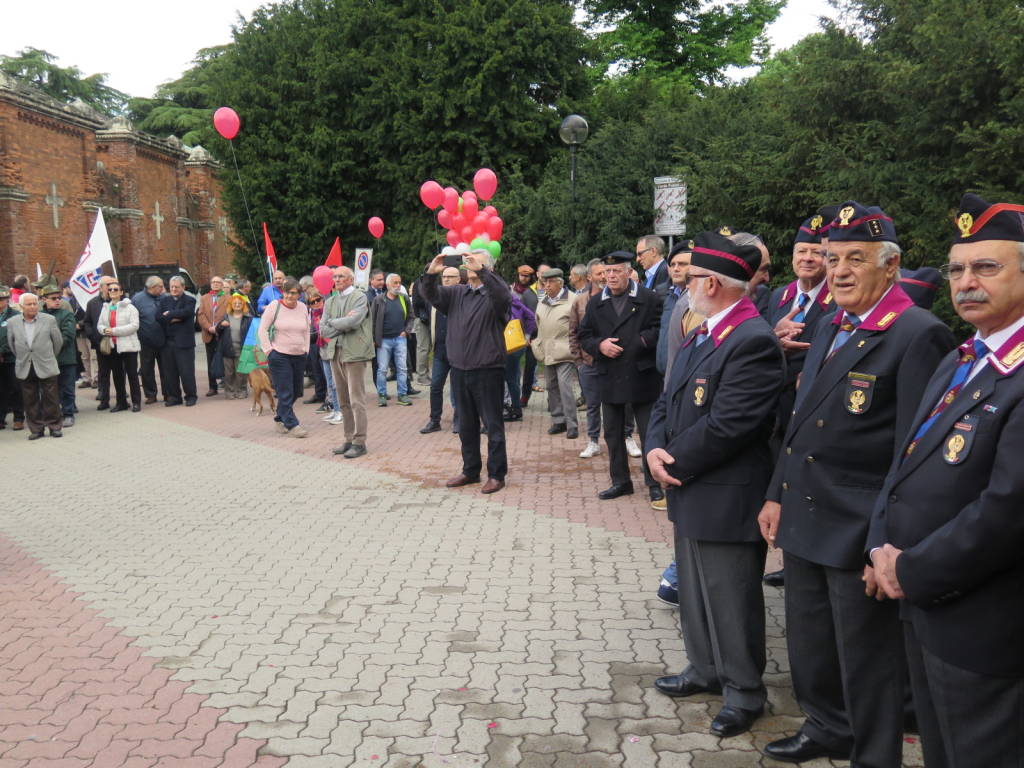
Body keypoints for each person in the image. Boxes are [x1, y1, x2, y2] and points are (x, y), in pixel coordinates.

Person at [757, 202, 955, 766]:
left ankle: (873, 753)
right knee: (811, 647)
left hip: (858, 529)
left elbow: (913, 456)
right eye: (832, 258)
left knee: (868, 661)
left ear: (890, 267)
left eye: (855, 260)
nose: (838, 270)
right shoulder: (831, 323)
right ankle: (826, 727)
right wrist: (775, 494)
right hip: (805, 518)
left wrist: (885, 544)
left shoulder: (918, 333)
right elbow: (798, 424)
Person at [868, 193, 1024, 768]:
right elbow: (906, 461)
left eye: (987, 267)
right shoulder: (965, 356)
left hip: (985, 624)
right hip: (927, 604)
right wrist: (880, 545)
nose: (966, 282)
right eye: (957, 268)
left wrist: (908, 568)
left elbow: (1007, 513)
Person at [646, 231, 784, 739]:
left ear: (712, 282)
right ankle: (704, 669)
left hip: (725, 491)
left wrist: (671, 458)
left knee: (731, 597)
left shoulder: (751, 339)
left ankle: (745, 691)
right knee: (697, 595)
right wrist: (655, 448)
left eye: (692, 279)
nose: (685, 286)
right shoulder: (705, 329)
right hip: (689, 483)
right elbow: (667, 399)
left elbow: (732, 425)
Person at [760, 214, 833, 589]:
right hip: (777, 408)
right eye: (801, 251)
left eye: (817, 253)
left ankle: (801, 563)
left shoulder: (837, 300)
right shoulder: (781, 296)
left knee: (804, 487)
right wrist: (775, 341)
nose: (807, 258)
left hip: (811, 412)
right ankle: (790, 560)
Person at [417, 247, 512, 494]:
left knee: (492, 425)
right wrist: (430, 273)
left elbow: (502, 294)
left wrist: (482, 270)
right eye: (467, 261)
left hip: (488, 369)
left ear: (488, 269)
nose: (468, 264)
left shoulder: (495, 295)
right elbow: (429, 295)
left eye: (475, 262)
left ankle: (496, 474)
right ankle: (470, 471)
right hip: (459, 369)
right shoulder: (458, 293)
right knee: (466, 425)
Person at [578, 251, 663, 504]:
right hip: (610, 373)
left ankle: (654, 483)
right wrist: (600, 345)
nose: (611, 276)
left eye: (616, 271)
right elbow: (584, 335)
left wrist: (639, 342)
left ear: (629, 272)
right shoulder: (595, 303)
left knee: (649, 434)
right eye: (607, 272)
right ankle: (621, 482)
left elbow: (659, 328)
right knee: (613, 434)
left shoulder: (649, 298)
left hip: (641, 374)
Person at [321, 267, 374, 458]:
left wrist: (333, 322)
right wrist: (341, 323)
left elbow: (354, 322)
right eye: (334, 277)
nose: (337, 279)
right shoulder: (330, 300)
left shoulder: (360, 297)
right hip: (335, 352)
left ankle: (360, 442)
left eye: (341, 276)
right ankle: (349, 438)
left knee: (356, 399)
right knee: (342, 399)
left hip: (355, 353)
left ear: (351, 279)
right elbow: (323, 331)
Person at [5, 293, 64, 439]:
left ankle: (54, 426)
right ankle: (36, 429)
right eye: (29, 304)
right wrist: (24, 356)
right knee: (30, 399)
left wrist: (49, 356)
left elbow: (58, 342)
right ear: (21, 306)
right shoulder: (12, 322)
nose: (32, 307)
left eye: (35, 304)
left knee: (51, 398)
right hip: (25, 364)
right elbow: (12, 344)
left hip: (46, 363)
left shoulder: (49, 320)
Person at [258, 278, 311, 437]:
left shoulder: (302, 307)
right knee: (285, 391)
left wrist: (305, 349)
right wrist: (269, 351)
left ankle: (279, 418)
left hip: (299, 355)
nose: (289, 296)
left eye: (294, 293)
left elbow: (306, 330)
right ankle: (292, 424)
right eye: (287, 292)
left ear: (299, 295)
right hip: (280, 356)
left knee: (296, 391)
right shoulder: (275, 306)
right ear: (283, 292)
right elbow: (263, 330)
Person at [531, 268, 579, 439]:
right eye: (545, 283)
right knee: (551, 386)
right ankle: (558, 421)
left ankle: (572, 424)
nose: (547, 286)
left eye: (551, 282)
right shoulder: (543, 300)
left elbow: (580, 324)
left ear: (560, 282)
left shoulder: (573, 300)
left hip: (565, 350)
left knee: (565, 386)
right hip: (547, 351)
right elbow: (538, 321)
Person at [420, 266, 462, 434]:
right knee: (435, 386)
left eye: (450, 276)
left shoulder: (462, 297)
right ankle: (434, 420)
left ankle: (459, 420)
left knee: (458, 387)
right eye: (444, 276)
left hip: (458, 350)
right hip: (440, 350)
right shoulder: (435, 298)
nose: (446, 279)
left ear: (459, 279)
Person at [96, 281, 143, 413]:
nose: (112, 292)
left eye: (116, 289)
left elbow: (135, 326)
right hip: (112, 346)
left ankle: (136, 402)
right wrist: (105, 330)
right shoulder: (105, 307)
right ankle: (121, 402)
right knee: (117, 376)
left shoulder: (130, 308)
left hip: (128, 346)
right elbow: (99, 325)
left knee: (132, 375)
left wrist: (114, 331)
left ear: (121, 292)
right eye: (110, 289)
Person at [371, 273, 414, 407]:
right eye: (395, 282)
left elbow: (411, 316)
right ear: (388, 285)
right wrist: (373, 339)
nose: (398, 285)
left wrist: (406, 331)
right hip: (383, 340)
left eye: (399, 282)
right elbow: (371, 321)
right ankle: (382, 395)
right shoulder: (378, 300)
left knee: (402, 368)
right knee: (382, 369)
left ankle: (402, 395)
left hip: (400, 339)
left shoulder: (404, 298)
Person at [39, 284, 77, 427]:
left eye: (59, 298)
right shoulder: (40, 315)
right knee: (49, 390)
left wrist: (47, 346)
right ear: (44, 299)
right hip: (46, 360)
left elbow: (67, 336)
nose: (57, 301)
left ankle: (68, 414)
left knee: (67, 388)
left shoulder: (65, 314)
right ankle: (53, 414)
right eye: (53, 298)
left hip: (65, 358)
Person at [158, 276, 198, 407]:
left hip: (184, 343)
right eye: (172, 287)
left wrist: (169, 315)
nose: (174, 289)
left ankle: (191, 396)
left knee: (186, 372)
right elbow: (158, 317)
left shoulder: (190, 300)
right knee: (170, 372)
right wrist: (174, 317)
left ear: (183, 287)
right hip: (167, 342)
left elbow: (186, 313)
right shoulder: (164, 300)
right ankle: (175, 397)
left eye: (177, 287)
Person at [502, 291, 537, 423]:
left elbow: (531, 317)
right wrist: (526, 335)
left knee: (508, 378)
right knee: (513, 377)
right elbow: (531, 316)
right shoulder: (514, 301)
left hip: (508, 345)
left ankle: (513, 409)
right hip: (516, 345)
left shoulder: (504, 302)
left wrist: (527, 335)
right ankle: (515, 408)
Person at [83, 275, 117, 410]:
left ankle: (121, 398)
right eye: (108, 285)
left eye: (114, 284)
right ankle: (104, 399)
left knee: (120, 372)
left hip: (118, 342)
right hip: (101, 344)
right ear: (101, 287)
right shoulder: (92, 303)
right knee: (103, 373)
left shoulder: (120, 302)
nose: (111, 287)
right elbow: (87, 322)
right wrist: (93, 336)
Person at [131, 276, 166, 404]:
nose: (163, 289)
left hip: (164, 340)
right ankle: (151, 394)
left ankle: (168, 393)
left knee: (166, 369)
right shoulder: (137, 299)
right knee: (146, 370)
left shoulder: (164, 297)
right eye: (161, 286)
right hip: (146, 341)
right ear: (152, 287)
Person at [216, 293, 252, 399]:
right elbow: (218, 330)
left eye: (239, 303)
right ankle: (229, 391)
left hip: (242, 349)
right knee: (229, 373)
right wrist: (221, 325)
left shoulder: (248, 318)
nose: (237, 305)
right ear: (231, 305)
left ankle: (242, 390)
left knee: (241, 372)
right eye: (234, 303)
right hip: (227, 349)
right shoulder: (226, 317)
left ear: (243, 305)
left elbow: (253, 334)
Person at [197, 276, 229, 396]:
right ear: (210, 284)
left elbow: (229, 314)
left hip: (223, 333)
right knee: (210, 360)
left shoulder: (228, 298)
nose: (215, 284)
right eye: (213, 282)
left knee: (226, 360)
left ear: (222, 285)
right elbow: (200, 315)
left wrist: (219, 327)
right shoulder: (204, 298)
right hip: (209, 333)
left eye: (218, 282)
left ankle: (227, 384)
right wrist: (209, 327)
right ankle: (212, 387)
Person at [0, 284, 25, 430]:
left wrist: (3, 351)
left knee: (15, 388)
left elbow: (18, 338)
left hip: (11, 358)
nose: (2, 302)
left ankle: (19, 417)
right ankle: (1, 418)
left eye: (3, 299)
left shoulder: (15, 316)